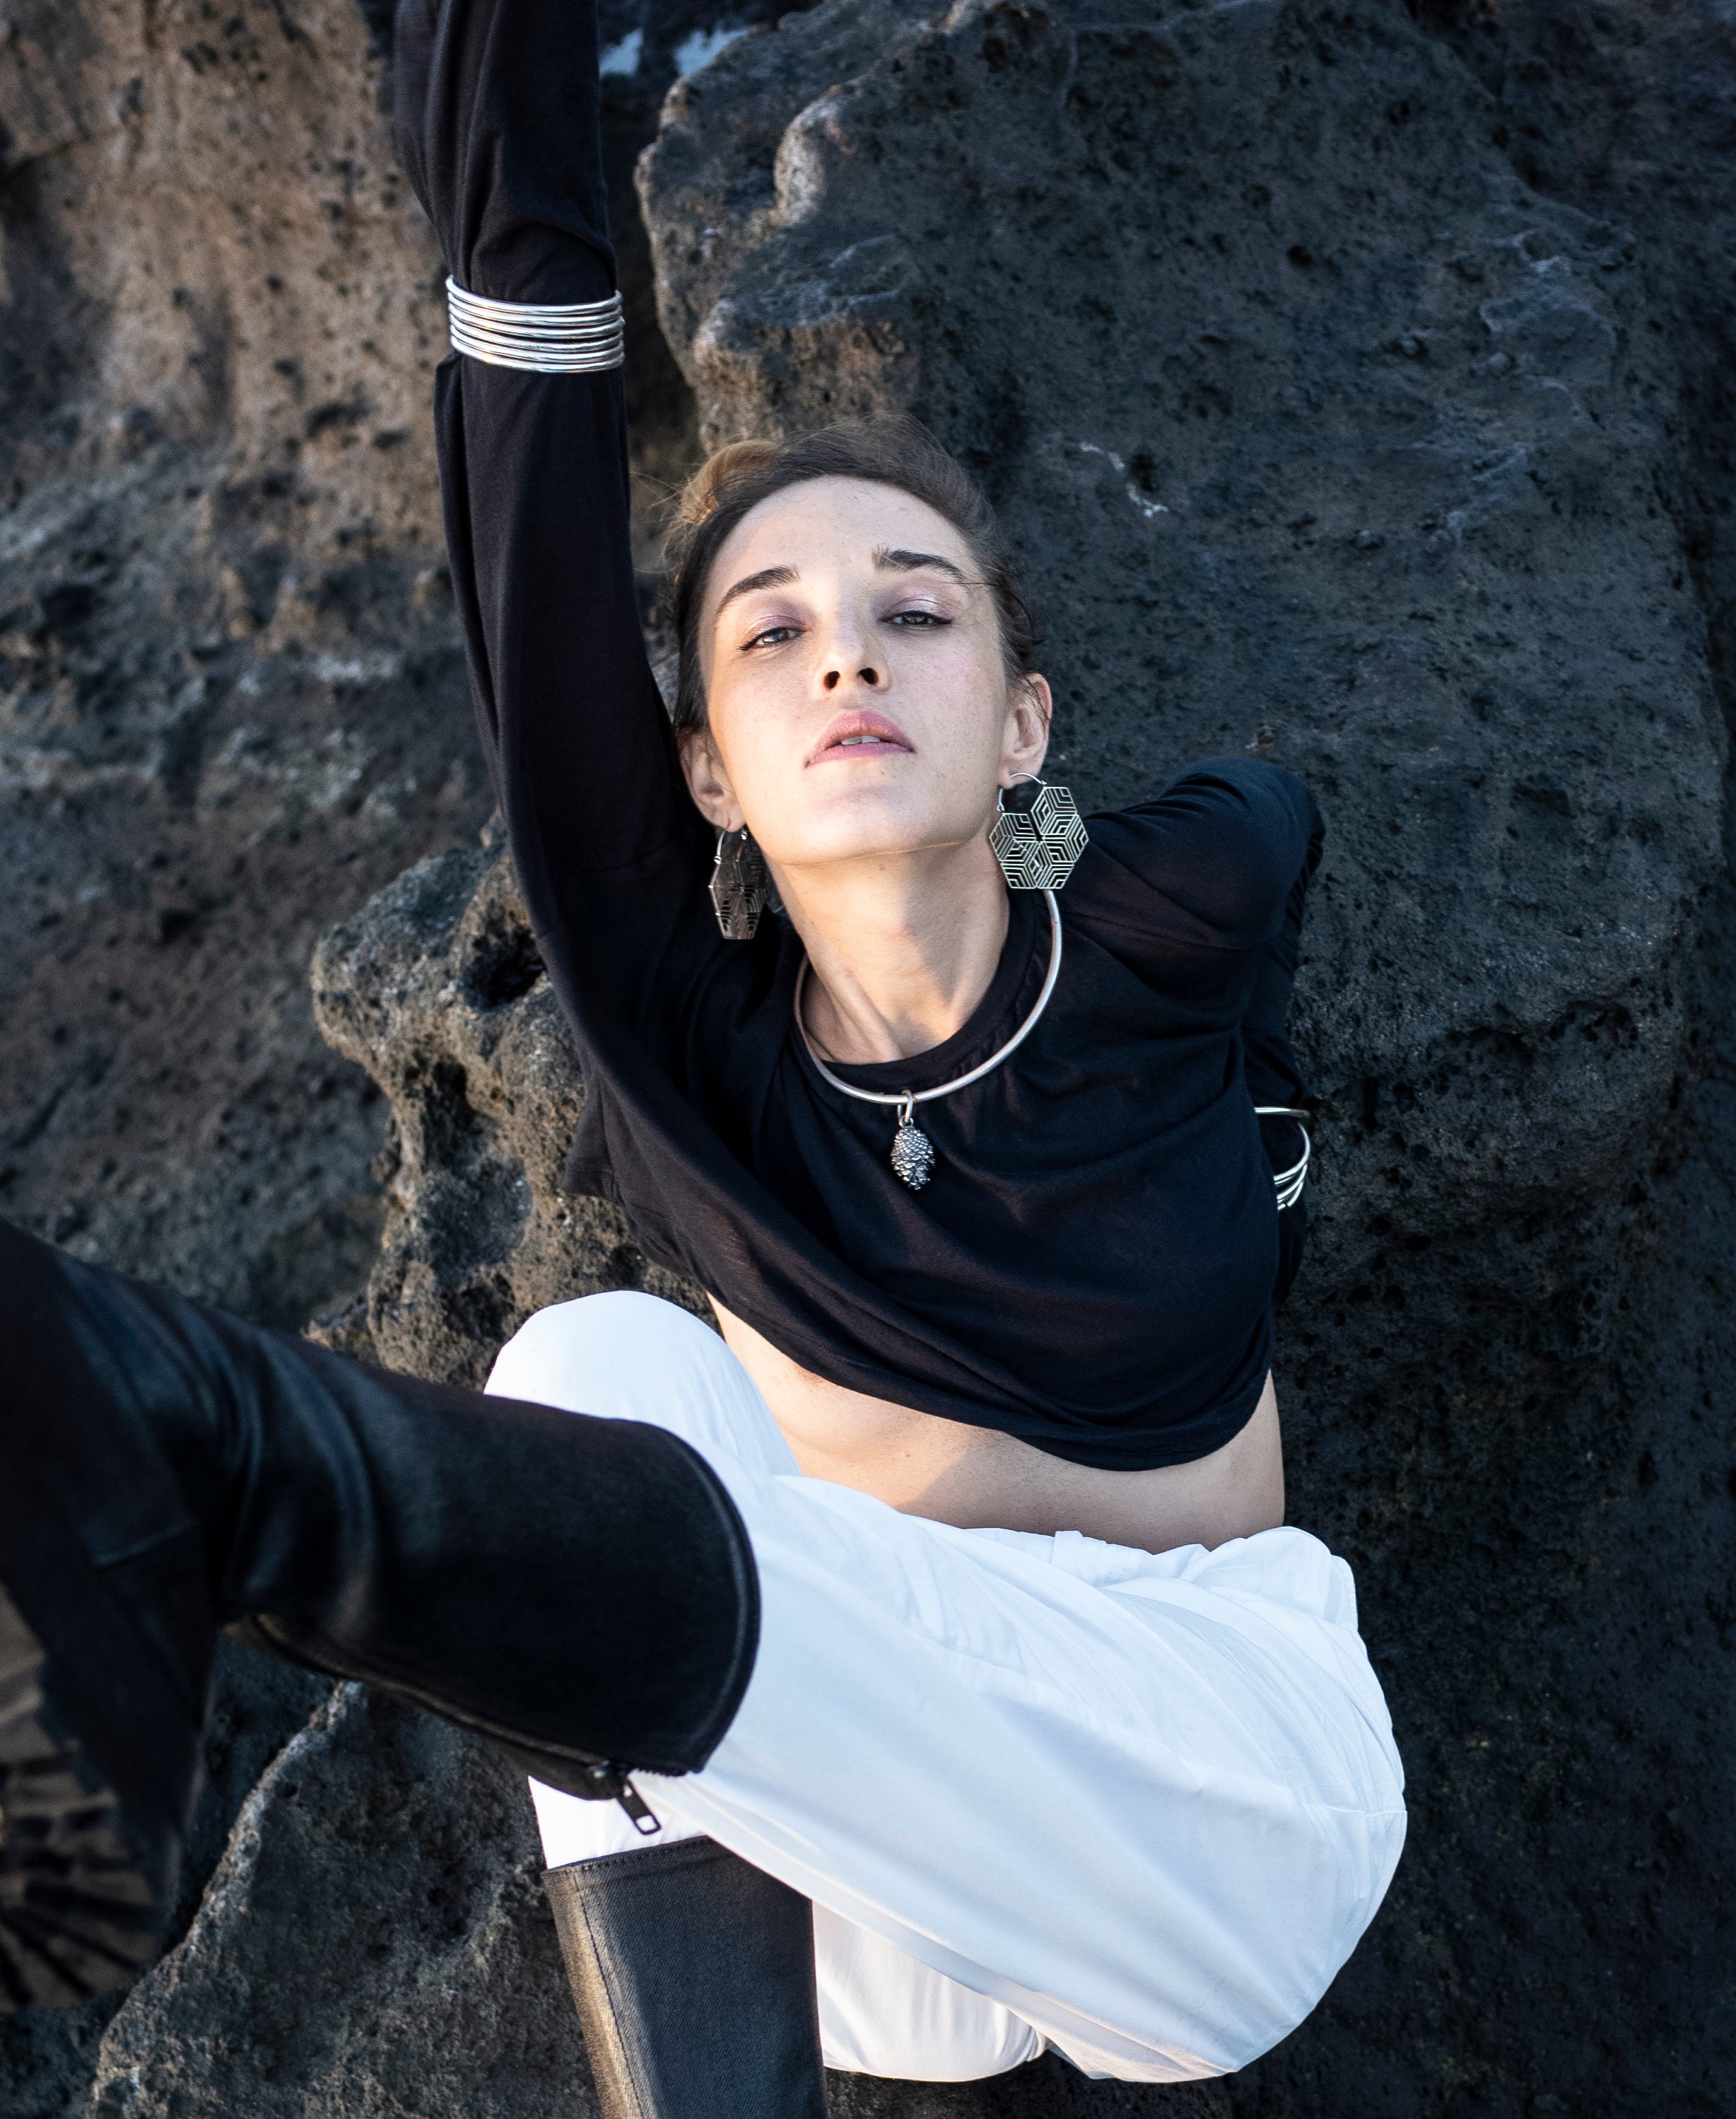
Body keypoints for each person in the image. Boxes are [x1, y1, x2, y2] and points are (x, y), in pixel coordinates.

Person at [0, 0, 1404, 2101]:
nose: (848, 653)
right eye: (773, 632)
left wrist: (1255, 1140)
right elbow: (534, 502)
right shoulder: (691, 1046)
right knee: (593, 1369)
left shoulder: (1171, 905)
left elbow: (1274, 866)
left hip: (1213, 1812)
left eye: (918, 611)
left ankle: (249, 1474)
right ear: (706, 775)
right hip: (847, 1886)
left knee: (629, 1472)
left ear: (1025, 722)